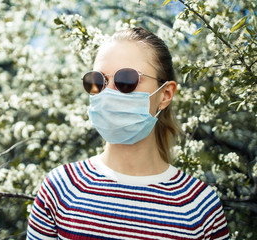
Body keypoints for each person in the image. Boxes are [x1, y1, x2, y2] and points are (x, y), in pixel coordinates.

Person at [27, 27, 229, 239]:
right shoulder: (60, 188)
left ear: (165, 94)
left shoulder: (200, 207)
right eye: (97, 81)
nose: (109, 92)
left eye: (127, 79)